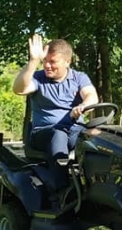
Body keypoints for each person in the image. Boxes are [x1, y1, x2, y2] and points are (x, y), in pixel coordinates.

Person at [12, 34, 98, 192]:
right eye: (45, 61)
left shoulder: (79, 78)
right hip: (43, 133)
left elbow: (91, 96)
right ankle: (60, 191)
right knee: (58, 134)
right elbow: (19, 89)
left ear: (67, 61)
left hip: (74, 130)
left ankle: (97, 187)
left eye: (52, 62)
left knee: (97, 138)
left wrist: (84, 105)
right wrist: (33, 61)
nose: (47, 66)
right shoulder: (38, 78)